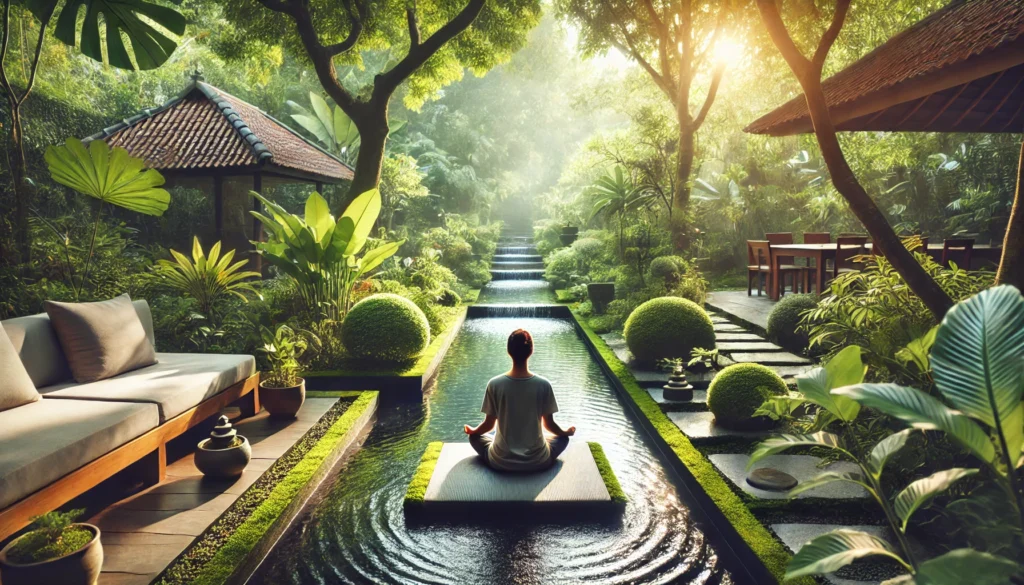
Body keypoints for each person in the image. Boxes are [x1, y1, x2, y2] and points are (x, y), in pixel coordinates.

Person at [463, 328, 575, 472]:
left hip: (501, 462)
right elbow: (550, 425)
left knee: (474, 438)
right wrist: (566, 432)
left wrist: (473, 431)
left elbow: (488, 425)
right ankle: (537, 446)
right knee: (562, 439)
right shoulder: (543, 384)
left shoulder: (495, 384)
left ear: (509, 351)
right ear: (531, 350)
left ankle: (500, 449)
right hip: (538, 461)